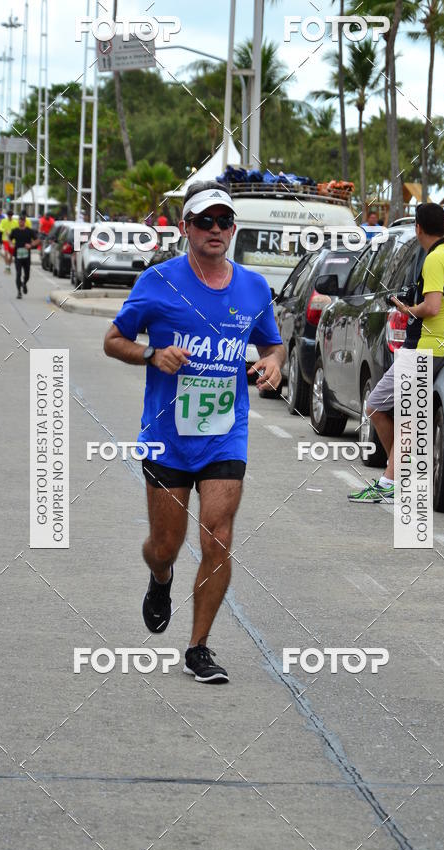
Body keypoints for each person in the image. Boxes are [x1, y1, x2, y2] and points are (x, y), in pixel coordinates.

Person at [103, 180, 285, 684]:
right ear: (185, 228)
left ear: (233, 229)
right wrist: (150, 354)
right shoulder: (159, 282)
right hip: (168, 435)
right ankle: (160, 577)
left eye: (224, 221)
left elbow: (273, 345)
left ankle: (198, 647)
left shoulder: (252, 287)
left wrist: (272, 365)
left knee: (218, 537)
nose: (215, 230)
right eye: (204, 221)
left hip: (226, 433)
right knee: (166, 543)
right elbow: (113, 339)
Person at [348, 202, 444, 503]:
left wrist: (407, 309)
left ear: (418, 227)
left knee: (377, 404)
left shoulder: (434, 259)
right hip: (443, 346)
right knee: (407, 414)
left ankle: (393, 481)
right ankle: (397, 475)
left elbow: (431, 307)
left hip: (424, 348)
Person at [9, 213, 40, 298]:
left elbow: (37, 240)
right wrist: (11, 244)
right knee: (18, 274)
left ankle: (24, 283)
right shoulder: (15, 231)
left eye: (22, 220)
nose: (21, 222)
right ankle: (19, 292)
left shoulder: (29, 231)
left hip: (26, 257)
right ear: (18, 221)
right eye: (20, 220)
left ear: (25, 221)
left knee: (27, 275)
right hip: (18, 256)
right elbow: (10, 239)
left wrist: (31, 245)